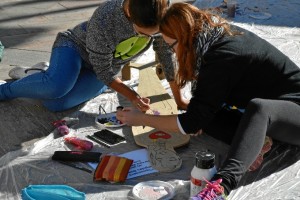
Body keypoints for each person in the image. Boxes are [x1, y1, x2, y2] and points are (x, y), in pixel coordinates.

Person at [116, 2, 300, 199]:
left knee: (260, 109)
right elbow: (198, 115)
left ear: (185, 38)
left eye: (172, 46)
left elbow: (189, 124)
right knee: (206, 117)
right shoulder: (211, 36)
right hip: (277, 114)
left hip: (294, 110)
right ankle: (257, 141)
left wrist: (143, 119)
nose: (173, 53)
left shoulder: (222, 57)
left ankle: (222, 187)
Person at [0, 0, 173, 112]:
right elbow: (104, 70)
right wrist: (133, 96)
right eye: (141, 33)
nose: (146, 38)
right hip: (75, 48)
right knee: (56, 88)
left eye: (152, 35)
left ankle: (42, 75)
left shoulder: (162, 15)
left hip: (101, 67)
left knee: (54, 104)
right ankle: (6, 90)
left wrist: (178, 97)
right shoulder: (106, 17)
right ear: (129, 14)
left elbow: (165, 52)